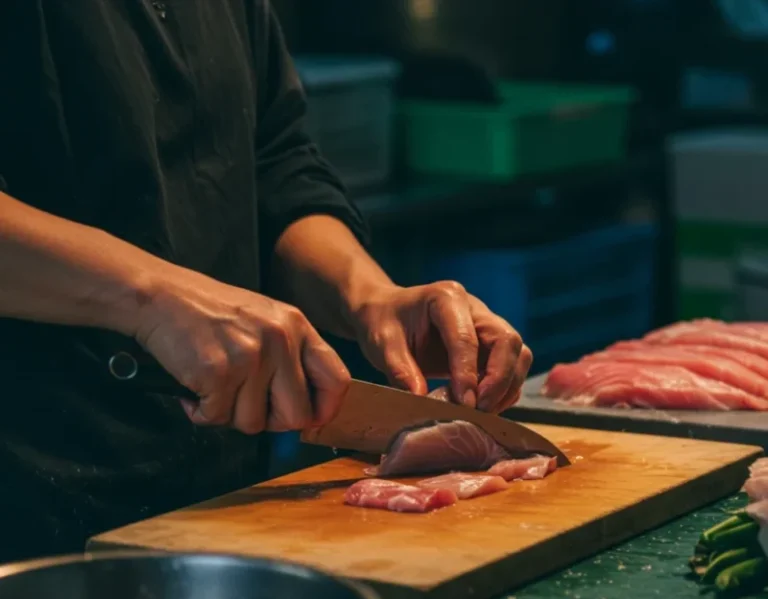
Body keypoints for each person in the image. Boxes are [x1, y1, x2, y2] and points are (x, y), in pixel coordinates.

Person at [0, 1, 532, 562]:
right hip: (30, 511)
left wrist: (368, 297)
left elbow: (275, 164)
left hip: (218, 501)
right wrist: (152, 297)